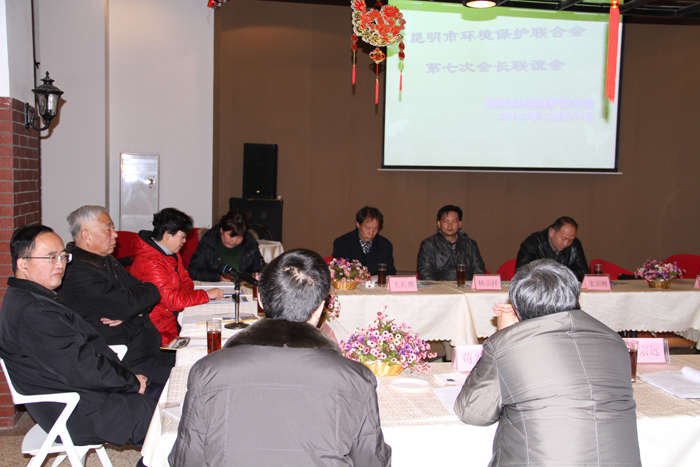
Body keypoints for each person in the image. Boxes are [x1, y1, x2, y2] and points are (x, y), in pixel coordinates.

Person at [169, 249, 392, 466]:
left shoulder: (208, 371)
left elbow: (186, 460)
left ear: (260, 300)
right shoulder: (355, 378)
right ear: (320, 308)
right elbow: (372, 461)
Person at [454, 259, 641, 467]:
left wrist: (506, 334)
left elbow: (473, 412)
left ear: (517, 306)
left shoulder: (508, 344)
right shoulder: (615, 341)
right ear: (578, 297)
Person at [0, 225, 157, 446]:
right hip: (76, 410)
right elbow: (81, 366)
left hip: (82, 396)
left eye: (63, 256)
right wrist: (130, 382)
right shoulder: (34, 311)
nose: (60, 264)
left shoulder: (28, 297)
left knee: (164, 397)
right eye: (51, 257)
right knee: (166, 417)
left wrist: (128, 377)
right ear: (23, 264)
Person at [59, 206, 174, 385]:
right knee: (197, 377)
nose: (115, 234)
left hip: (151, 351)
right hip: (126, 363)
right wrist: (130, 308)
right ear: (86, 236)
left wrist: (132, 310)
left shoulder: (106, 260)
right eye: (108, 229)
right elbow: (127, 305)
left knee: (203, 362)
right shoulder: (77, 273)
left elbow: (152, 290)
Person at [130, 208, 224, 345]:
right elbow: (173, 302)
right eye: (182, 235)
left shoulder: (171, 253)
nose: (184, 241)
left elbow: (186, 281)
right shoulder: (150, 262)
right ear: (167, 234)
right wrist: (205, 295)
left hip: (171, 321)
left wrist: (180, 296)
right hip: (155, 330)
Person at [188, 209, 266, 282]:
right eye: (231, 235)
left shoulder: (250, 244)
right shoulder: (209, 242)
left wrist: (243, 277)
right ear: (221, 230)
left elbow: (261, 271)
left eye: (239, 237)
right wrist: (219, 276)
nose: (234, 241)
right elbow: (194, 271)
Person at [417, 205, 485, 281]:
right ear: (439, 223)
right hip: (438, 287)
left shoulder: (470, 245)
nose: (450, 225)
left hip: (465, 287)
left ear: (460, 224)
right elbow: (425, 274)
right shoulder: (428, 245)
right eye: (445, 221)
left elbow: (479, 272)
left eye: (454, 221)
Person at [515, 216, 588, 281]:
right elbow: (521, 273)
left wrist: (561, 275)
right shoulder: (532, 244)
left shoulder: (575, 245)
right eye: (564, 239)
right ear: (552, 233)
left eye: (570, 240)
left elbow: (584, 272)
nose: (566, 244)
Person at [332, 206, 396, 276]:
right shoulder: (342, 243)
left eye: (375, 229)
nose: (371, 233)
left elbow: (390, 272)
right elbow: (338, 272)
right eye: (367, 228)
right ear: (358, 224)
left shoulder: (385, 245)